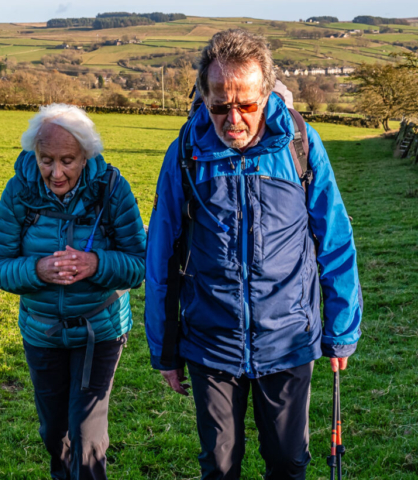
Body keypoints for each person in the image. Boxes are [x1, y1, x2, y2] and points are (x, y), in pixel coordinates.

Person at [145, 30, 362, 480]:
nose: (233, 119)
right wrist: (165, 349)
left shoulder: (302, 145)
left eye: (246, 104)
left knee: (287, 462)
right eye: (220, 106)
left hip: (287, 340)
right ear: (203, 97)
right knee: (220, 466)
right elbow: (162, 254)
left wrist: (341, 329)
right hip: (211, 341)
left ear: (267, 92)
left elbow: (335, 240)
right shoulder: (186, 154)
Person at [0, 103, 146, 479]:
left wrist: (96, 264)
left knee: (87, 438)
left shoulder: (112, 189)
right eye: (46, 160)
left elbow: (139, 263)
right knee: (55, 435)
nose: (56, 173)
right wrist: (38, 270)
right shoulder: (19, 192)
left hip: (100, 330)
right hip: (42, 331)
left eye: (68, 160)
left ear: (86, 155)